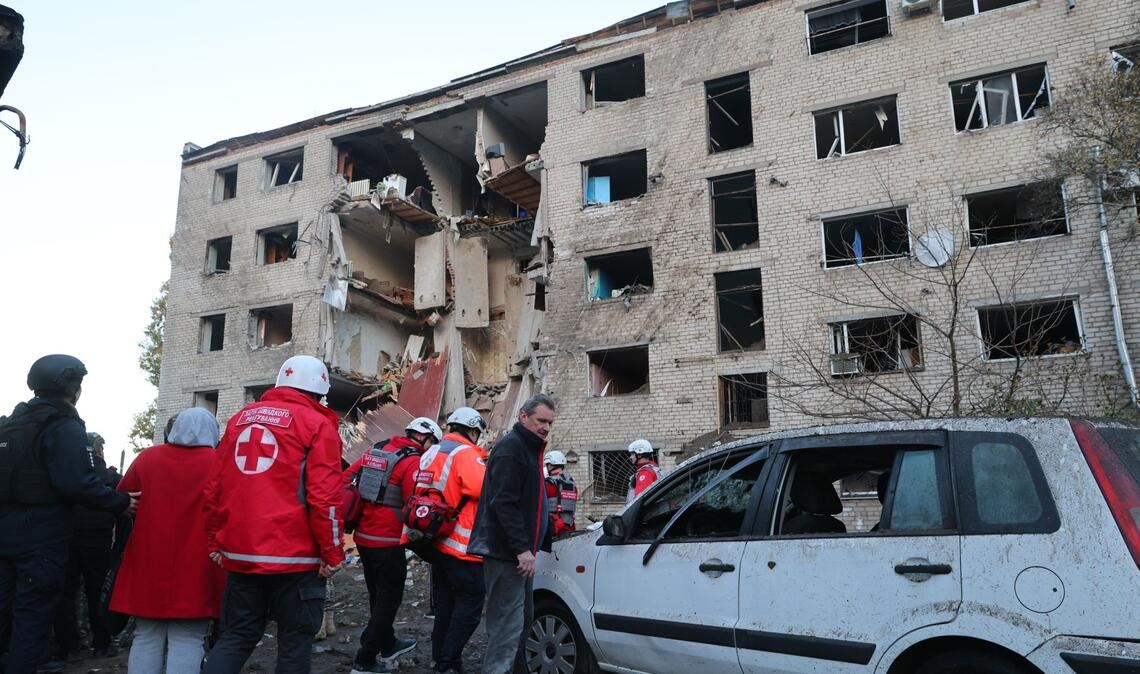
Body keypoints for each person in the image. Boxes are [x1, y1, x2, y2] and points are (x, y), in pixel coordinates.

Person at [202, 355, 345, 674]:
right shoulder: (317, 424)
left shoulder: (239, 420)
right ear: (320, 391)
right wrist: (332, 552)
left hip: (241, 554)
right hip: (296, 559)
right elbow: (325, 497)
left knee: (236, 636)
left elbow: (214, 487)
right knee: (294, 645)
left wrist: (214, 540)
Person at [0, 354, 138, 674]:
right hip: (40, 536)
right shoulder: (63, 425)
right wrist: (119, 502)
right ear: (71, 387)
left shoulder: (11, 423)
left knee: (4, 615)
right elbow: (75, 482)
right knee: (31, 619)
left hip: (4, 533)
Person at [110, 407, 227, 673]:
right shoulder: (219, 462)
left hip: (148, 558)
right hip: (198, 562)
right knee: (188, 637)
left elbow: (124, 498)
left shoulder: (148, 458)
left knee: (146, 635)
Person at [468, 394, 556, 674]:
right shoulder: (512, 449)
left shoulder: (528, 449)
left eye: (550, 423)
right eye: (541, 420)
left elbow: (533, 503)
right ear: (523, 417)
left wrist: (545, 537)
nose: (546, 427)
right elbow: (504, 503)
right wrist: (522, 549)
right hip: (507, 555)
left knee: (522, 620)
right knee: (506, 627)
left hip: (518, 555)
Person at [348, 417, 442, 674]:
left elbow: (348, 476)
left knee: (377, 596)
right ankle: (364, 659)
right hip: (388, 540)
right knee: (389, 599)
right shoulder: (412, 460)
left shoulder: (378, 449)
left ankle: (388, 643)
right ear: (426, 438)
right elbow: (415, 503)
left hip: (363, 538)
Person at [410, 407, 487, 674]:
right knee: (470, 604)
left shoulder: (434, 450)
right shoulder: (465, 453)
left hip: (437, 540)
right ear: (472, 431)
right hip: (461, 544)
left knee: (445, 605)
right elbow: (482, 487)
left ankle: (440, 657)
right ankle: (448, 662)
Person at [52, 432, 125, 660]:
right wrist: (119, 547)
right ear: (100, 450)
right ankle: (101, 644)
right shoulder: (111, 478)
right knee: (97, 593)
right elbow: (124, 513)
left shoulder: (70, 474)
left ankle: (69, 647)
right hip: (98, 542)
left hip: (67, 539)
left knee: (66, 593)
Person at [543, 450, 577, 536]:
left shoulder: (548, 484)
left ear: (550, 465)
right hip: (570, 526)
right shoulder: (572, 484)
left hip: (553, 528)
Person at [626, 438, 661, 503]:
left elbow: (639, 500)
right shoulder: (652, 468)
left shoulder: (645, 472)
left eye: (632, 454)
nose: (630, 457)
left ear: (639, 454)